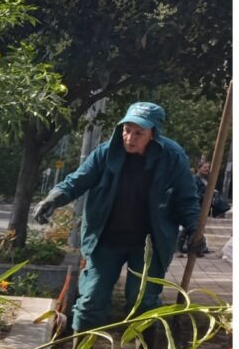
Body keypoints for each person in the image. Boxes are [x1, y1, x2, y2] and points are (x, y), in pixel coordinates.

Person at [33, 102, 207, 335]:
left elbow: (187, 198)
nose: (129, 138)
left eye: (138, 133)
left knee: (144, 302)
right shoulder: (106, 153)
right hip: (105, 239)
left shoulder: (172, 157)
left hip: (150, 244)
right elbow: (77, 180)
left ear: (153, 133)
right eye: (126, 130)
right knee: (91, 298)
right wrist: (54, 198)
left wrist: (194, 227)